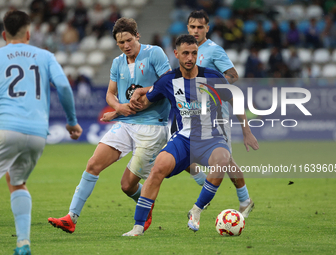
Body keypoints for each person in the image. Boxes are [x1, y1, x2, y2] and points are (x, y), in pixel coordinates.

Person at [122, 34, 259, 236]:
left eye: (194, 53)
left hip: (212, 138)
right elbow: (145, 101)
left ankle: (196, 210)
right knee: (158, 167)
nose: (190, 58)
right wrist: (120, 109)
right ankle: (138, 226)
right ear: (176, 54)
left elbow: (235, 100)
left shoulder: (213, 77)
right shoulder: (168, 81)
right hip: (183, 139)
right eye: (185, 53)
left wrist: (247, 131)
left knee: (222, 160)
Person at [47, 17, 172, 234]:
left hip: (152, 126)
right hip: (125, 123)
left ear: (137, 36)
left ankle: (145, 202)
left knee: (126, 186)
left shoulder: (155, 53)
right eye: (121, 42)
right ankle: (71, 218)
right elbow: (110, 94)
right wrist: (119, 108)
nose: (126, 45)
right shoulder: (117, 63)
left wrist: (129, 104)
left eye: (129, 40)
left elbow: (168, 83)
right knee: (93, 163)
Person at [0, 10, 82, 255]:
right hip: (37, 134)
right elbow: (65, 87)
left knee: (15, 182)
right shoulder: (45, 56)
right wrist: (71, 121)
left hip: (6, 127)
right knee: (17, 182)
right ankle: (23, 243)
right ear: (28, 33)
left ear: (4, 35)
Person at [186, 10, 255, 216]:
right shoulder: (187, 50)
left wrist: (212, 86)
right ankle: (205, 186)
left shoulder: (214, 50)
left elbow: (233, 75)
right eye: (192, 26)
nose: (196, 30)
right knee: (180, 153)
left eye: (200, 27)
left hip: (217, 115)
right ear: (187, 28)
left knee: (225, 160)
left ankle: (244, 200)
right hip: (194, 113)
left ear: (207, 28)